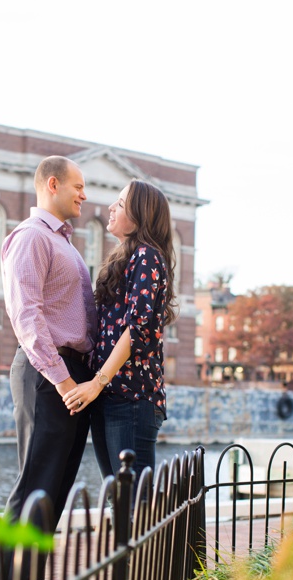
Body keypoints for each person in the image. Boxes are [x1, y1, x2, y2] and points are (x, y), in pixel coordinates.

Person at [0, 155, 98, 580]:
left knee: (53, 487)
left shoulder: (63, 243)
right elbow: (26, 315)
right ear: (53, 184)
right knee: (35, 484)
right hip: (47, 376)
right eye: (78, 186)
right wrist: (65, 379)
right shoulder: (31, 238)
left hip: (68, 377)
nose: (84, 195)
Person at [62, 179, 177, 486]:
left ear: (140, 216)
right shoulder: (126, 257)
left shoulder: (147, 256)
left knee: (133, 505)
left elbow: (136, 329)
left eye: (121, 204)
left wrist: (96, 384)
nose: (111, 207)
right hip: (111, 396)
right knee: (120, 500)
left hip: (131, 398)